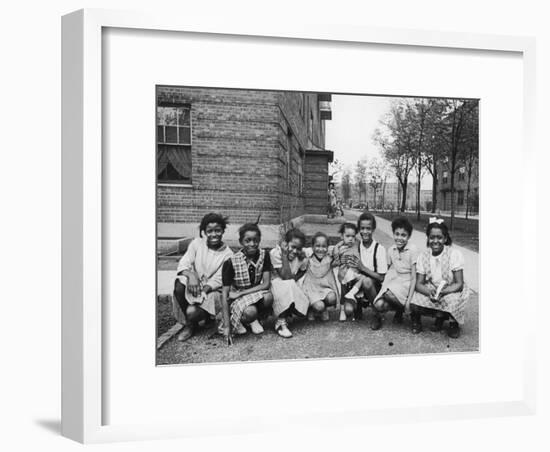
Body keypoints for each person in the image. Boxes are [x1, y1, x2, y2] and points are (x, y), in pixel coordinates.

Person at [172, 213, 234, 342]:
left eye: (217, 230)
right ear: (204, 232)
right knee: (179, 284)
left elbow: (218, 279)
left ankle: (206, 317)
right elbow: (184, 263)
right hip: (193, 285)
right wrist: (191, 276)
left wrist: (203, 291)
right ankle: (190, 325)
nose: (214, 235)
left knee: (192, 312)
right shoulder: (197, 244)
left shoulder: (228, 254)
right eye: (209, 231)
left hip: (211, 290)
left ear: (223, 231)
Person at [410, 218, 471, 338]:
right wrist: (429, 292)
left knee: (452, 300)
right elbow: (419, 283)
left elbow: (459, 283)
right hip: (433, 287)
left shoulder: (454, 254)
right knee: (414, 299)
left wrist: (444, 292)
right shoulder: (423, 256)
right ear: (428, 238)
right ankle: (423, 320)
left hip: (450, 288)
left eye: (439, 237)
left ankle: (453, 323)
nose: (435, 241)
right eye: (432, 237)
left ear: (445, 239)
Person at [220, 222, 273, 342]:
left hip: (252, 293)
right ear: (241, 242)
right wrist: (227, 326)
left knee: (268, 297)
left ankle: (255, 319)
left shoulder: (265, 255)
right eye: (247, 240)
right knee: (250, 312)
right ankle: (246, 319)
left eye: (255, 240)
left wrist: (242, 293)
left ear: (259, 240)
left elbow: (265, 284)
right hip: (238, 297)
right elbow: (225, 294)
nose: (252, 244)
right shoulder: (231, 262)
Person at [372, 217, 419, 328]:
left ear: (409, 236)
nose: (399, 238)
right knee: (378, 304)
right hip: (397, 280)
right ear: (393, 234)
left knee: (389, 294)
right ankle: (399, 311)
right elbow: (386, 269)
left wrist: (408, 301)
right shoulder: (391, 250)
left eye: (403, 235)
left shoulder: (412, 250)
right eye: (397, 234)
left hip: (409, 282)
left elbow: (414, 277)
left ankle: (409, 313)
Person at [346, 212, 388, 329]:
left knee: (367, 281)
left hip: (374, 285)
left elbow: (381, 277)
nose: (365, 232)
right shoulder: (356, 246)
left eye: (368, 229)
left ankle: (376, 314)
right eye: (362, 228)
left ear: (373, 229)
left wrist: (363, 268)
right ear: (359, 229)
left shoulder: (379, 249)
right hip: (357, 282)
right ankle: (356, 305)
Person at [269, 229, 309, 338]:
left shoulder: (301, 256)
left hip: (290, 283)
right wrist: (284, 255)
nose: (295, 251)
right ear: (285, 244)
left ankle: (288, 313)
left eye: (299, 248)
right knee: (287, 285)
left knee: (295, 290)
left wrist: (295, 278)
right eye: (293, 247)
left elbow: (302, 270)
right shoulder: (276, 253)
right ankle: (280, 322)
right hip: (275, 283)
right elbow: (285, 276)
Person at [331, 222, 366, 321]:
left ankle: (357, 307)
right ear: (342, 236)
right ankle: (342, 310)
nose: (350, 239)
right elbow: (334, 262)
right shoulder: (339, 248)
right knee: (343, 292)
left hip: (356, 274)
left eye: (353, 236)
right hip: (344, 275)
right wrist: (337, 248)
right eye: (347, 236)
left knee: (362, 280)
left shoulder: (357, 243)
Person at [302, 232, 339, 321]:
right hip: (311, 289)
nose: (321, 249)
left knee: (332, 298)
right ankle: (311, 309)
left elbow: (339, 248)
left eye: (324, 246)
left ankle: (324, 309)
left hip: (324, 288)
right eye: (317, 246)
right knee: (319, 306)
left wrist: (337, 247)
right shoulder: (308, 258)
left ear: (328, 247)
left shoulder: (329, 258)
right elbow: (301, 249)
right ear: (312, 247)